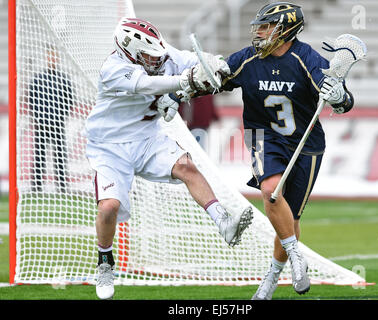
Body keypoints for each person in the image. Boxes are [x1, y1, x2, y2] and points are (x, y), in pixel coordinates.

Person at [84, 17, 253, 300]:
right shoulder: (113, 68)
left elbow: (190, 61)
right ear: (130, 52)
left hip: (147, 137)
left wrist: (215, 63)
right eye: (148, 55)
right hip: (109, 146)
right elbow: (147, 85)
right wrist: (182, 84)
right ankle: (105, 263)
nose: (156, 58)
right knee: (108, 208)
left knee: (188, 166)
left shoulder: (159, 52)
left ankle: (223, 220)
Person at [217, 2, 355, 298]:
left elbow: (343, 101)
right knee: (270, 191)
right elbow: (216, 80)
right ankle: (296, 256)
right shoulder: (249, 57)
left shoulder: (306, 58)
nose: (259, 32)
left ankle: (271, 278)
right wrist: (184, 88)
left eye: (266, 26)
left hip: (305, 142)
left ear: (286, 29)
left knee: (289, 219)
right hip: (260, 135)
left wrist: (340, 97)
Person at [28, 44, 73, 193]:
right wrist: (37, 117)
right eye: (49, 56)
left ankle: (62, 187)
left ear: (57, 59)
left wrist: (61, 117)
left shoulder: (64, 79)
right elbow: (32, 100)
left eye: (54, 56)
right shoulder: (38, 79)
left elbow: (69, 102)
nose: (52, 59)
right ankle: (36, 187)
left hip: (58, 124)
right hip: (41, 124)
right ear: (46, 58)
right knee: (39, 156)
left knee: (60, 156)